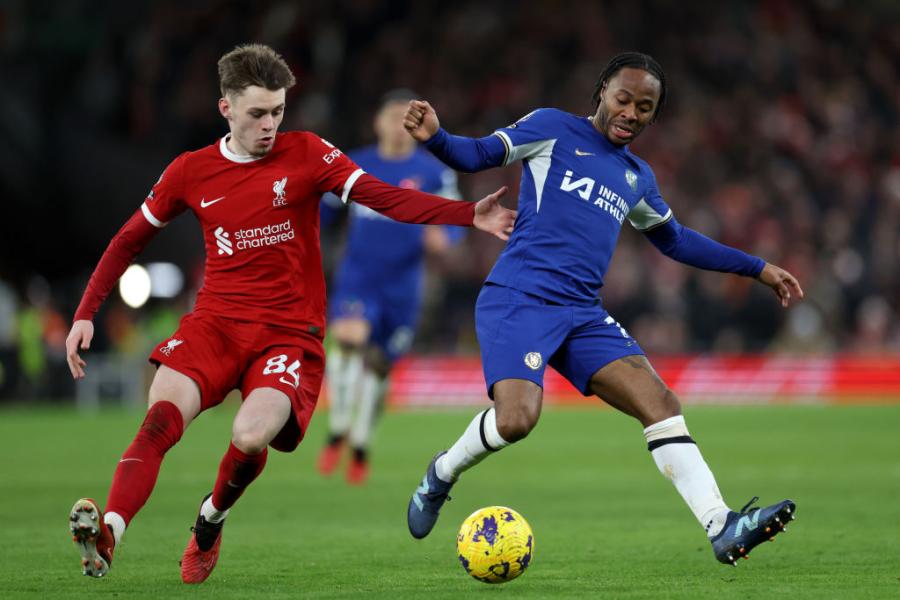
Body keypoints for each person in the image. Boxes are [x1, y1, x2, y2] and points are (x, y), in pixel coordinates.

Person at [64, 43, 514, 584]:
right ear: (226, 108)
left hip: (287, 335)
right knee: (161, 416)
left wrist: (470, 215)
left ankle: (210, 520)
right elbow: (127, 240)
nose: (270, 124)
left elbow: (386, 197)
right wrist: (86, 312)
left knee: (251, 436)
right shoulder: (191, 171)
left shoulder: (307, 154)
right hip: (215, 324)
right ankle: (110, 531)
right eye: (257, 113)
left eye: (278, 111)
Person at [402, 52, 803, 566]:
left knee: (661, 405)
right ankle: (441, 473)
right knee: (517, 420)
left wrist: (757, 267)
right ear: (601, 93)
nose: (631, 112)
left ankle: (720, 524)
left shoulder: (636, 176)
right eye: (623, 98)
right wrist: (437, 137)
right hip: (519, 298)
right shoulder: (550, 128)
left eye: (645, 106)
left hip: (582, 314)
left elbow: (675, 242)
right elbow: (476, 154)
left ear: (654, 116)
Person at [317, 89, 463, 485]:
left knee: (380, 365)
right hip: (359, 276)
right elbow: (323, 211)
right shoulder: (356, 166)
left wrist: (444, 238)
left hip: (404, 284)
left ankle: (361, 442)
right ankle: (337, 429)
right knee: (348, 338)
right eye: (392, 118)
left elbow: (454, 221)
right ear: (377, 123)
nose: (399, 128)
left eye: (407, 121)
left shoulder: (433, 172)